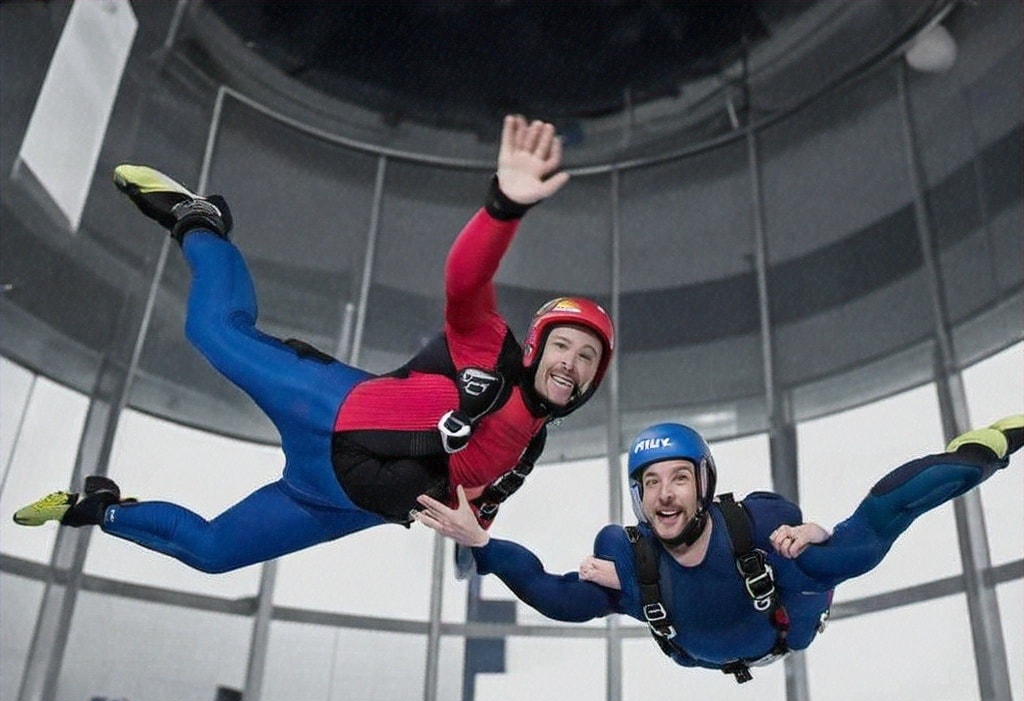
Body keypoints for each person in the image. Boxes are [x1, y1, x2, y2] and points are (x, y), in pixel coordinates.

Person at [12, 116, 614, 576]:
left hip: (331, 502)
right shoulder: (490, 349)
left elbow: (472, 520)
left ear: (591, 383)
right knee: (214, 332)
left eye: (588, 359)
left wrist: (475, 543)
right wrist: (503, 208)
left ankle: (95, 507)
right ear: (536, 346)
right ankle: (198, 222)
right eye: (565, 346)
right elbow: (464, 280)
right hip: (323, 406)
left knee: (213, 554)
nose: (572, 364)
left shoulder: (526, 453)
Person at [414, 416, 1022, 682]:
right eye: (650, 483)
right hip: (695, 649)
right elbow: (553, 595)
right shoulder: (631, 564)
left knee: (830, 555)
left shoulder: (764, 537)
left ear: (704, 483)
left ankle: (980, 448)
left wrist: (988, 450)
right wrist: (482, 543)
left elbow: (882, 519)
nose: (665, 495)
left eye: (678, 477)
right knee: (599, 575)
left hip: (783, 615)